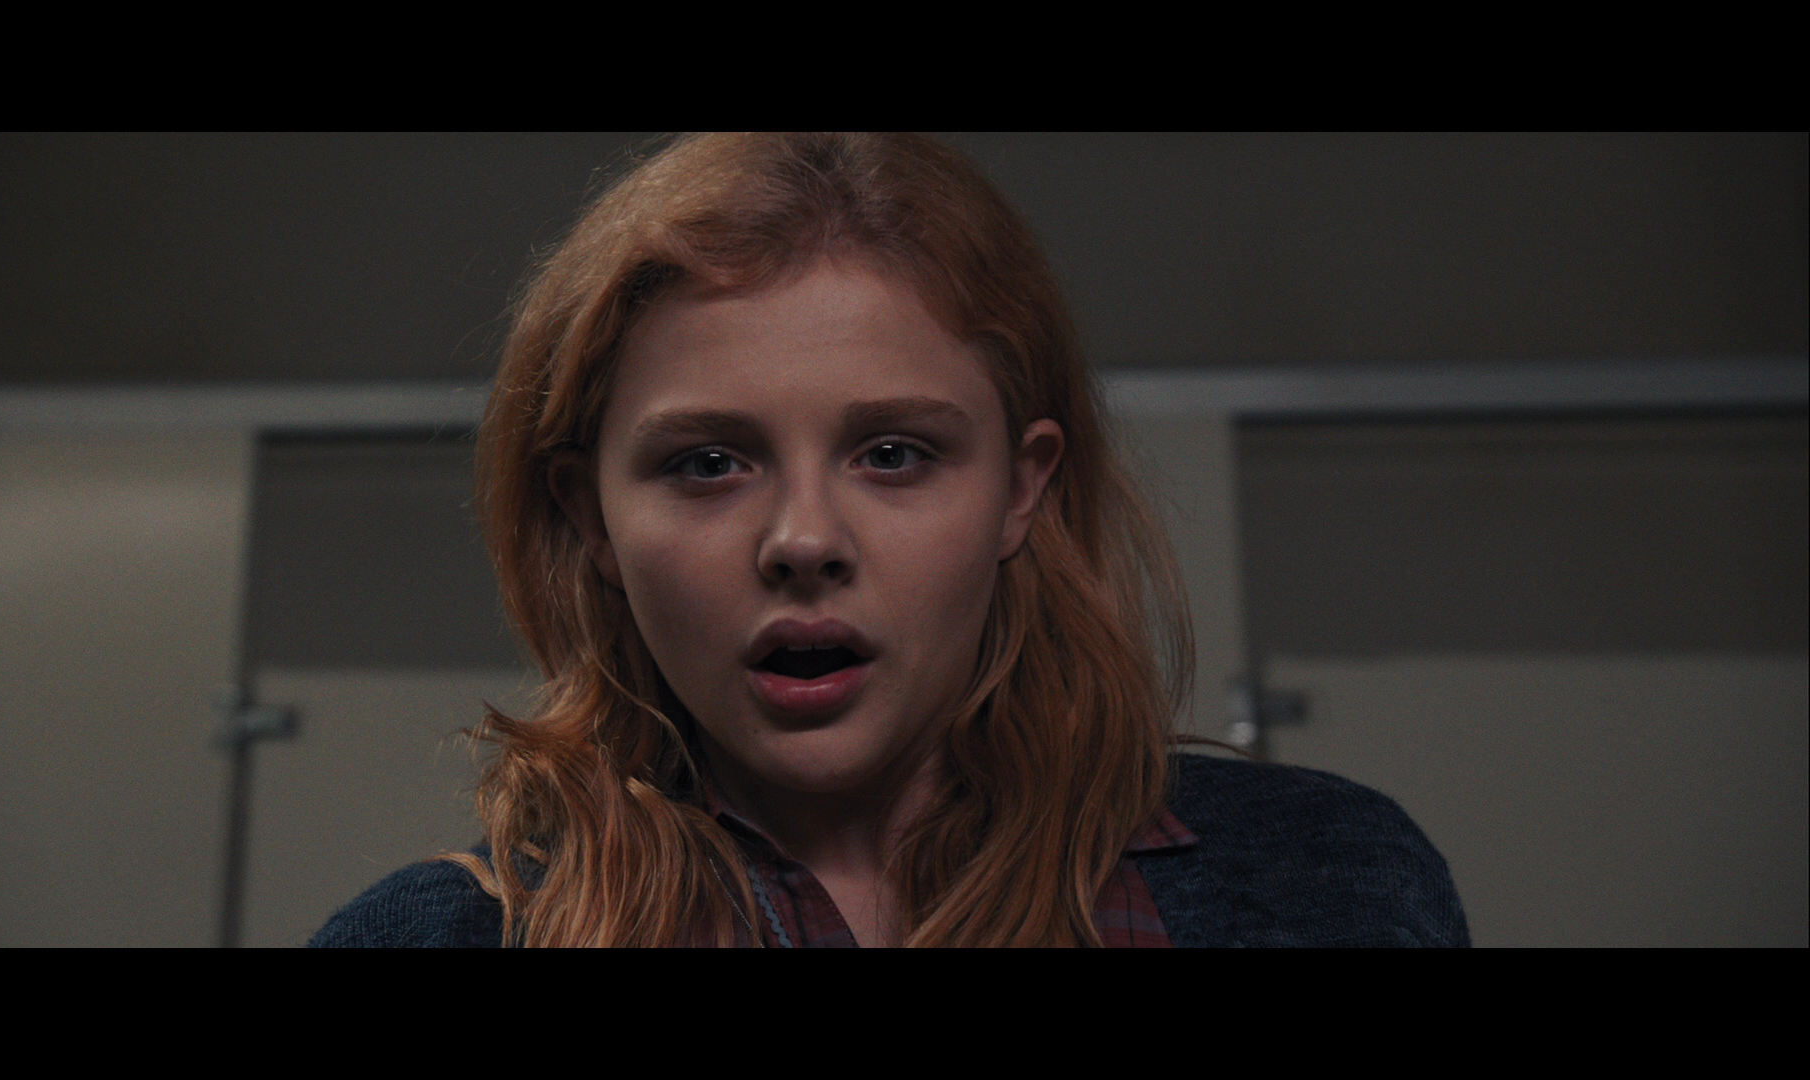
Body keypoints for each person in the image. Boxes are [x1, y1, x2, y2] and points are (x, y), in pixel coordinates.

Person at [311, 133, 1469, 947]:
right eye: (707, 463)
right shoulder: (429, 938)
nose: (804, 539)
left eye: (895, 454)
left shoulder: (1331, 884)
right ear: (588, 517)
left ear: (1021, 489)